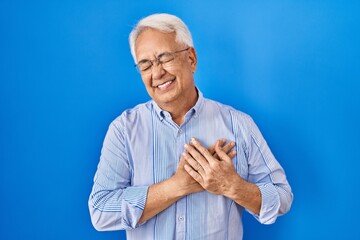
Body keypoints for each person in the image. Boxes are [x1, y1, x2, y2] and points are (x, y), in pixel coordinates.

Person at [88, 13, 293, 240]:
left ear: (191, 59)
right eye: (145, 65)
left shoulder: (238, 124)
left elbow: (282, 196)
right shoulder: (123, 130)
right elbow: (100, 210)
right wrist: (176, 186)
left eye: (165, 58)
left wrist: (232, 186)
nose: (157, 73)